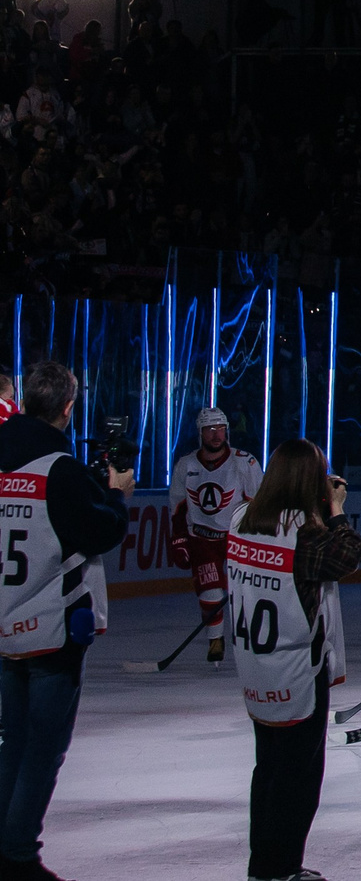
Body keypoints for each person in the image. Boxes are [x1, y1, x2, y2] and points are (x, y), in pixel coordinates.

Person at [0, 360, 130, 880]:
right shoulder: (59, 469)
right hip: (51, 629)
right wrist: (118, 494)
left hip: (5, 624)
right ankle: (18, 855)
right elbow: (100, 532)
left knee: (13, 741)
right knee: (43, 748)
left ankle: (7, 848)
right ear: (68, 409)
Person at [227, 439, 361, 881]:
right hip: (297, 666)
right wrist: (337, 508)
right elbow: (347, 556)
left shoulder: (240, 519)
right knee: (299, 777)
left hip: (254, 664)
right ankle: (279, 868)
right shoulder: (303, 534)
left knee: (267, 768)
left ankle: (262, 863)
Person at [171, 407, 264, 666]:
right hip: (201, 537)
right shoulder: (186, 465)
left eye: (220, 428)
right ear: (200, 433)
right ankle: (215, 640)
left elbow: (259, 503)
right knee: (210, 589)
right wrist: (178, 539)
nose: (216, 434)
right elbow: (178, 507)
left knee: (249, 592)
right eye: (210, 429)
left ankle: (252, 640)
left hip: (237, 537)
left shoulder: (245, 462)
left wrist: (260, 538)